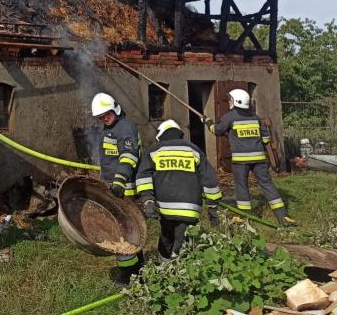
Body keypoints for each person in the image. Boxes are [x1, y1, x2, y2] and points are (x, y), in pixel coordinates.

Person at [205, 89, 294, 226]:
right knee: (267, 184)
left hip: (240, 161)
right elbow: (265, 139)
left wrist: (207, 122)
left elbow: (217, 130)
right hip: (259, 160)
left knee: (242, 186)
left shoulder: (230, 117)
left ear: (235, 101)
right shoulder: (256, 117)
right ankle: (282, 216)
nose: (229, 101)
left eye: (230, 99)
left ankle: (243, 217)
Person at [135, 119, 221, 261]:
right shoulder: (194, 149)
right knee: (182, 242)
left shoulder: (154, 151)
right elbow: (210, 179)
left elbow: (143, 176)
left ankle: (167, 271)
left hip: (165, 209)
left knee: (166, 239)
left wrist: (148, 200)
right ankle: (177, 271)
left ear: (160, 136)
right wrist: (213, 206)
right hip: (189, 210)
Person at [90, 92, 143, 285]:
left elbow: (129, 155)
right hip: (113, 187)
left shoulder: (125, 127)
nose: (104, 118)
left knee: (123, 232)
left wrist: (119, 181)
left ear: (116, 109)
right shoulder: (110, 129)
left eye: (107, 114)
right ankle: (137, 269)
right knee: (123, 231)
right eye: (101, 116)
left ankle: (128, 274)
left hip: (124, 189)